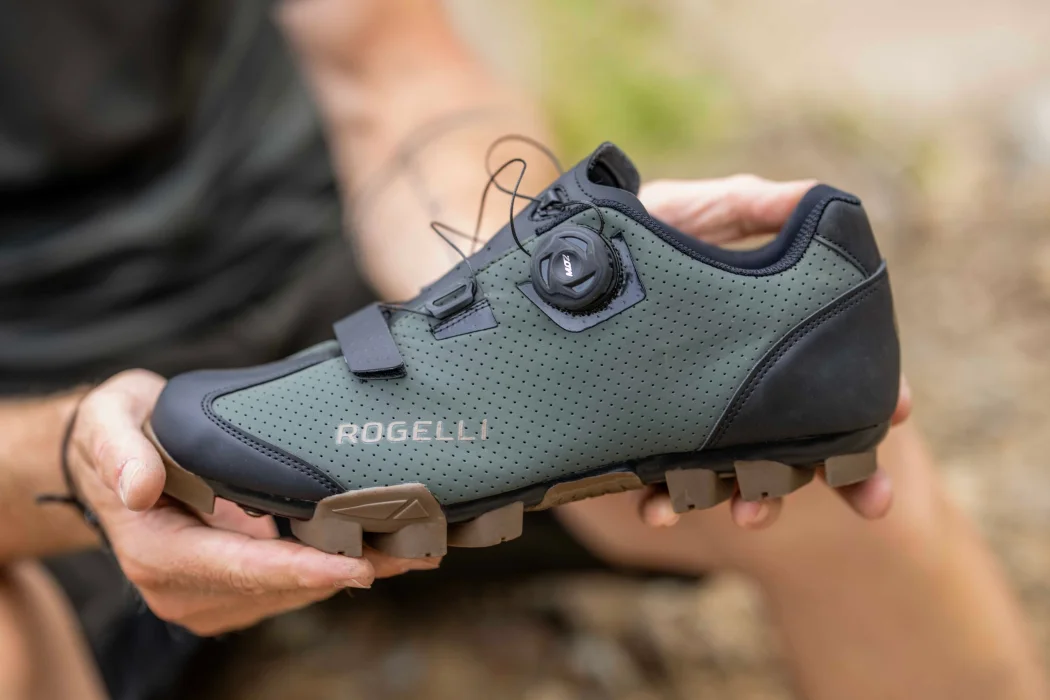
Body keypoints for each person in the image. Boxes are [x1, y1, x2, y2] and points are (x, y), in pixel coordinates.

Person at [0, 1, 1044, 699]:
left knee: (801, 446)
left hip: (331, 290)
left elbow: (392, 68)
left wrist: (521, 288)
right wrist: (69, 457)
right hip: (40, 400)